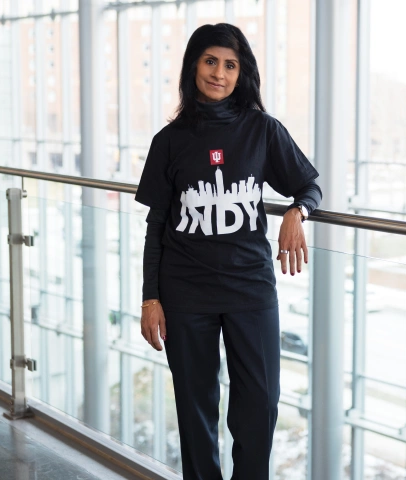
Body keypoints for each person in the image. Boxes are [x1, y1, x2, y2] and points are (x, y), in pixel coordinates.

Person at [134, 23, 322, 480]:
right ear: (194, 66)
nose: (219, 73)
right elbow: (156, 225)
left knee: (258, 406)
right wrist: (151, 298)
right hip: (185, 294)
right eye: (211, 61)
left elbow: (308, 185)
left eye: (230, 65)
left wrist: (297, 213)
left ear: (242, 74)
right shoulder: (169, 141)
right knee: (195, 410)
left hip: (250, 289)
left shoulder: (262, 130)